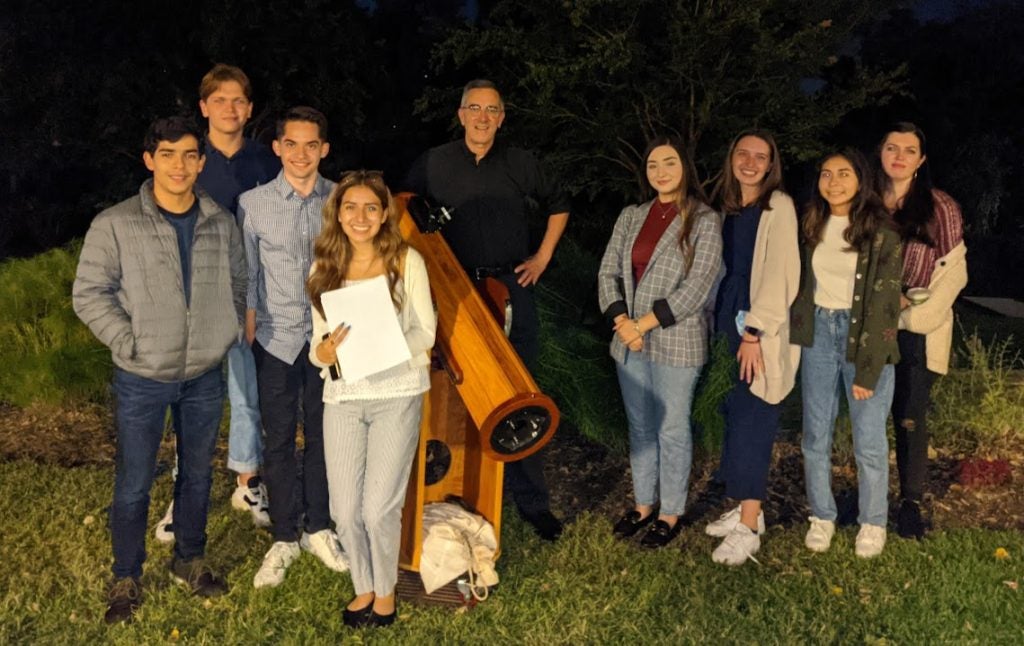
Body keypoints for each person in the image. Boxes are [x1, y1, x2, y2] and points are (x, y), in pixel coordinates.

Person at [72, 116, 244, 623]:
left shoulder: (219, 221)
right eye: (167, 154)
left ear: (201, 162)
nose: (179, 165)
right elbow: (89, 294)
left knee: (196, 474)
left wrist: (222, 332)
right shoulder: (116, 223)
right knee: (134, 482)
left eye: (190, 154)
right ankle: (126, 573)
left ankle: (189, 560)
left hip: (203, 376)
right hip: (142, 377)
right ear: (149, 160)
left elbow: (238, 282)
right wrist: (130, 343)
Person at [404, 79, 569, 541]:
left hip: (509, 290)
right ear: (461, 115)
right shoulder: (434, 163)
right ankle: (450, 488)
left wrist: (542, 257)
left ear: (501, 117)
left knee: (520, 395)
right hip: (452, 295)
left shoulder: (521, 163)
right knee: (449, 392)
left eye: (491, 110)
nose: (481, 117)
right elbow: (404, 209)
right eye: (473, 108)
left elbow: (559, 204)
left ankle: (533, 503)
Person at [154, 64, 280, 541]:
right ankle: (182, 497)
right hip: (194, 299)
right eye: (220, 100)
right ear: (204, 106)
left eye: (239, 101)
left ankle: (249, 483)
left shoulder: (265, 162)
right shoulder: (187, 158)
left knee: (248, 396)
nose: (230, 109)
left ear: (249, 109)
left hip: (250, 298)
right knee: (190, 401)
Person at [307, 171, 436, 628]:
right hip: (342, 395)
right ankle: (363, 586)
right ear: (337, 213)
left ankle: (386, 594)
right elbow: (318, 343)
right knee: (344, 509)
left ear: (384, 215)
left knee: (379, 506)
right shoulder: (323, 267)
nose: (359, 217)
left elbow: (427, 331)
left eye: (370, 208)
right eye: (350, 207)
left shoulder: (407, 262)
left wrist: (386, 346)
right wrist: (322, 353)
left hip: (396, 392)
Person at [240, 107, 349, 588]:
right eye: (292, 144)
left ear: (324, 149)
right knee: (279, 440)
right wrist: (248, 333)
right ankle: (285, 535)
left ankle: (319, 528)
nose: (301, 154)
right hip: (276, 340)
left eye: (312, 145)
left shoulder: (343, 201)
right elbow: (247, 274)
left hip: (330, 342)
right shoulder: (252, 204)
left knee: (326, 439)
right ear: (278, 148)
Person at [598, 136, 722, 548]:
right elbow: (608, 272)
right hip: (627, 341)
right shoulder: (631, 216)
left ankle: (670, 512)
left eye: (669, 163)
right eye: (653, 165)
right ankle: (643, 503)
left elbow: (698, 286)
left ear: (685, 167)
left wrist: (642, 325)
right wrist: (621, 321)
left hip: (675, 341)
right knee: (640, 426)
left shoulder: (703, 219)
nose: (661, 172)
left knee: (671, 428)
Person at [790, 148, 903, 559]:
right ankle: (822, 515)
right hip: (818, 333)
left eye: (843, 173)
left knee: (869, 440)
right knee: (815, 433)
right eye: (826, 174)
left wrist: (867, 371)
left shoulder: (882, 232)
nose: (833, 182)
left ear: (861, 179)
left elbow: (885, 304)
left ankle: (873, 522)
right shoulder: (810, 224)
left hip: (864, 339)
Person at [703, 131, 800, 565]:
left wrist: (754, 332)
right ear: (732, 158)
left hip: (755, 328)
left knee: (753, 419)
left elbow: (780, 272)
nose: (750, 161)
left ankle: (748, 527)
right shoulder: (726, 208)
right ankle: (745, 509)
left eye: (760, 156)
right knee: (733, 413)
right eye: (743, 152)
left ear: (771, 164)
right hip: (726, 322)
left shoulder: (778, 206)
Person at [876, 122, 966, 539]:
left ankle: (911, 502)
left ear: (921, 159)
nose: (899, 156)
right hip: (870, 326)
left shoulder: (938, 206)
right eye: (891, 147)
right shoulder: (865, 201)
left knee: (909, 415)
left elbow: (952, 272)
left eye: (909, 150)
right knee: (870, 412)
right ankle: (870, 496)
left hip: (915, 327)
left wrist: (909, 307)